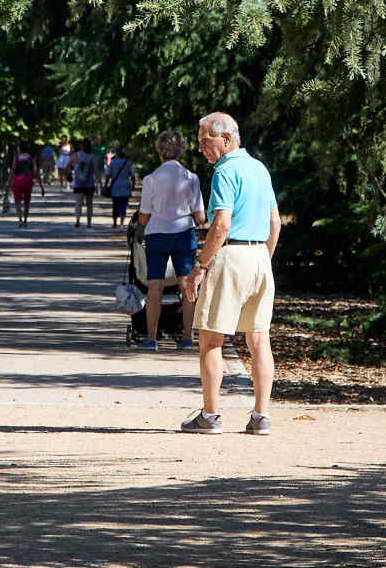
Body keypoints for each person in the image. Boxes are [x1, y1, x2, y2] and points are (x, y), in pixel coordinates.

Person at [181, 112, 280, 436]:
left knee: (211, 338)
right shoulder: (259, 168)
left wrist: (200, 267)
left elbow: (221, 224)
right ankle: (261, 416)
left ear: (226, 138)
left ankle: (209, 417)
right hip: (259, 256)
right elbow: (275, 223)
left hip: (232, 255)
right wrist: (263, 257)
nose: (200, 148)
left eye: (204, 141)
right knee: (259, 339)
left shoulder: (225, 171)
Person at [136, 132, 206, 351]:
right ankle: (187, 337)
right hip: (184, 233)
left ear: (159, 151)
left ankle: (151, 338)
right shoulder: (191, 178)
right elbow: (200, 217)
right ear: (181, 150)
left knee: (154, 286)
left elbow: (144, 215)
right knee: (186, 285)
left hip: (157, 234)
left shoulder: (151, 179)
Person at [8, 143, 40, 227]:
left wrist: (9, 181)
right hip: (28, 180)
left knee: (17, 201)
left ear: (20, 149)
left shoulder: (17, 158)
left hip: (17, 180)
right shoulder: (31, 158)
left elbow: (13, 169)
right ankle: (25, 220)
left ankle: (20, 220)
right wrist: (40, 185)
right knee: (27, 202)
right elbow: (35, 171)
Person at [103, 147, 134, 229]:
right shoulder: (128, 163)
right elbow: (133, 176)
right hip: (125, 187)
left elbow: (108, 175)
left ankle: (115, 223)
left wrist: (105, 186)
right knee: (123, 206)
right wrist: (133, 187)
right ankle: (122, 223)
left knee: (115, 205)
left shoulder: (113, 163)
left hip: (115, 187)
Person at [69, 138, 97, 228]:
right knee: (89, 204)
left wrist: (69, 174)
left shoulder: (76, 155)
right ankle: (89, 223)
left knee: (78, 203)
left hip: (78, 183)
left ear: (82, 145)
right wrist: (100, 184)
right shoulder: (92, 156)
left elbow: (68, 165)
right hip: (89, 183)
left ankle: (77, 221)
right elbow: (96, 171)